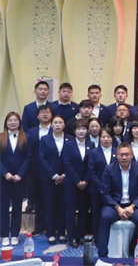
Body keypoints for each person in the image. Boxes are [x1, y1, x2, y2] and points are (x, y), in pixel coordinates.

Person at [97, 142, 138, 257]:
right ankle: (102, 254)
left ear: (132, 155)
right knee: (105, 217)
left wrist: (133, 206)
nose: (124, 157)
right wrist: (118, 208)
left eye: (127, 154)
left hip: (133, 204)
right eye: (121, 155)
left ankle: (132, 248)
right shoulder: (109, 169)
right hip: (114, 204)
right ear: (117, 155)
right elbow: (105, 192)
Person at [39, 114, 73, 244]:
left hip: (66, 178)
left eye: (60, 123)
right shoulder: (44, 139)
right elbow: (42, 158)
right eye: (55, 123)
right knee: (49, 205)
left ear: (64, 125)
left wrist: (64, 175)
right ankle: (50, 232)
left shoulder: (70, 139)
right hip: (48, 178)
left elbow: (72, 159)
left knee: (62, 205)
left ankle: (61, 231)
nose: (58, 125)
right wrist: (53, 175)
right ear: (51, 125)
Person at [63, 120, 93, 248]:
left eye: (83, 129)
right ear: (74, 131)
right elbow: (67, 163)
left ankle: (80, 235)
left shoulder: (91, 144)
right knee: (70, 210)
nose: (81, 131)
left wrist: (85, 180)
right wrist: (77, 181)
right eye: (78, 129)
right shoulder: (68, 144)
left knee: (83, 210)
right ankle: (71, 236)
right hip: (71, 182)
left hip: (86, 183)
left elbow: (91, 164)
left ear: (87, 130)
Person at [0, 112, 29, 246]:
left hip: (19, 178)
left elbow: (28, 158)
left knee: (17, 206)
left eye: (15, 120)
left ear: (19, 122)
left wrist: (20, 174)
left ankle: (15, 233)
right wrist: (5, 173)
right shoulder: (1, 137)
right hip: (3, 178)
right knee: (3, 206)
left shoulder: (25, 138)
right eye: (10, 120)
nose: (12, 123)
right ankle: (5, 234)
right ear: (6, 122)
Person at [26, 104, 53, 235]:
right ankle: (39, 226)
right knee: (38, 200)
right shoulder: (31, 132)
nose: (45, 114)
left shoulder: (56, 130)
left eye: (47, 112)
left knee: (51, 200)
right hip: (35, 171)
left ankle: (51, 226)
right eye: (42, 112)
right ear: (37, 116)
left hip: (52, 171)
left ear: (51, 115)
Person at [88, 127, 117, 238]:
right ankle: (97, 238)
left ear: (112, 138)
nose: (106, 139)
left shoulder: (117, 152)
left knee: (110, 214)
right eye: (103, 137)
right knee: (96, 214)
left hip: (113, 191)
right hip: (97, 189)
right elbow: (91, 171)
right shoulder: (94, 152)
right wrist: (101, 186)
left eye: (108, 137)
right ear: (99, 138)